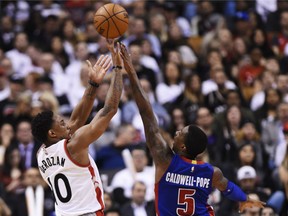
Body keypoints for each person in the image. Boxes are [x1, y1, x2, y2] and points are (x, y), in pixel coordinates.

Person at [119, 43, 265, 215]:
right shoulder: (211, 172)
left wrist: (131, 72)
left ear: (183, 147)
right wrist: (244, 199)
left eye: (180, 134)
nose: (176, 132)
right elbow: (228, 188)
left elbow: (145, 112)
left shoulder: (165, 160)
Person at [31, 40, 123, 216]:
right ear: (52, 133)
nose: (66, 123)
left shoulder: (41, 154)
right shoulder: (74, 145)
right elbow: (109, 110)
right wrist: (118, 69)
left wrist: (93, 84)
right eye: (61, 123)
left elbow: (76, 119)